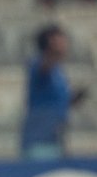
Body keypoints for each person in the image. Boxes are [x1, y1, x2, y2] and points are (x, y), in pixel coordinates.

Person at [20, 25, 86, 160]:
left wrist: (74, 99)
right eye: (60, 39)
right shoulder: (37, 62)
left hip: (56, 135)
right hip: (39, 137)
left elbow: (59, 100)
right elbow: (42, 70)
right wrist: (53, 51)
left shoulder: (59, 71)